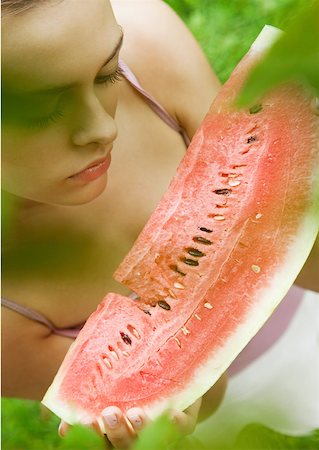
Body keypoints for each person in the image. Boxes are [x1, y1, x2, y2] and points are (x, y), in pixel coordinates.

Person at [1, 0, 227, 448]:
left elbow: (285, 228)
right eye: (43, 109)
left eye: (109, 74)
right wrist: (155, 402)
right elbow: (211, 395)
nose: (102, 129)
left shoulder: (148, 32)